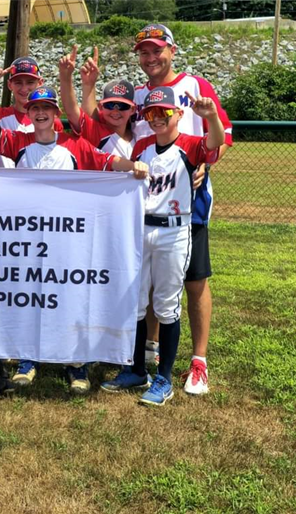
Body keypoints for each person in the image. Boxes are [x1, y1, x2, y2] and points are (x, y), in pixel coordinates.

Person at [0, 86, 149, 394]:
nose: (41, 113)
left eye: (47, 107)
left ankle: (77, 362)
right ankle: (27, 358)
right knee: (29, 295)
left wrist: (133, 167)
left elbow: (107, 162)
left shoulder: (74, 144)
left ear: (55, 111)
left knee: (70, 296)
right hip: (28, 237)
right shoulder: (18, 141)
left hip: (68, 238)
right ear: (29, 113)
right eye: (36, 108)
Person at [100, 86, 224, 406]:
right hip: (142, 228)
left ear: (178, 114)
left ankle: (164, 378)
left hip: (173, 230)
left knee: (167, 305)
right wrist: (127, 167)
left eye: (163, 113)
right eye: (151, 113)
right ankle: (137, 369)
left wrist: (210, 116)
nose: (156, 119)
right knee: (139, 303)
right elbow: (113, 166)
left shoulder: (189, 146)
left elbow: (216, 143)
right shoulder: (142, 145)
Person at [131, 24, 234, 395]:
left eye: (156, 50)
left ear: (172, 50)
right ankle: (152, 354)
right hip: (152, 199)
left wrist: (207, 162)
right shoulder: (139, 93)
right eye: (143, 52)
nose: (150, 58)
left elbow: (224, 137)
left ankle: (199, 361)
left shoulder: (196, 86)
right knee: (152, 285)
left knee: (193, 282)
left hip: (190, 201)